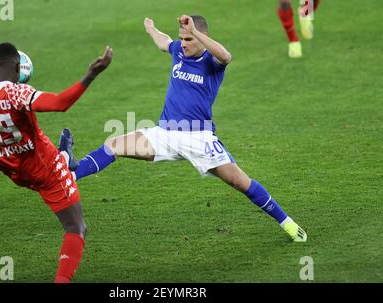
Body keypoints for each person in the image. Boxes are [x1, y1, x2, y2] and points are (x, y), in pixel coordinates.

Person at [59, 15, 307, 242]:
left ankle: (287, 223)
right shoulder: (179, 51)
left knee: (241, 182)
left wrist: (195, 33)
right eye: (182, 39)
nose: (184, 44)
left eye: (189, 39)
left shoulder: (212, 62)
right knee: (113, 145)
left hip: (199, 139)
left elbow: (227, 56)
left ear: (201, 37)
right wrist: (151, 29)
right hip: (164, 134)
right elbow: (163, 42)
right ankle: (67, 176)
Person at [0, 42, 113, 283]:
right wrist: (91, 74)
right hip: (46, 171)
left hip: (14, 171)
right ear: (18, 70)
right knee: (76, 228)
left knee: (45, 151)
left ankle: (65, 158)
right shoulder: (18, 93)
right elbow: (60, 103)